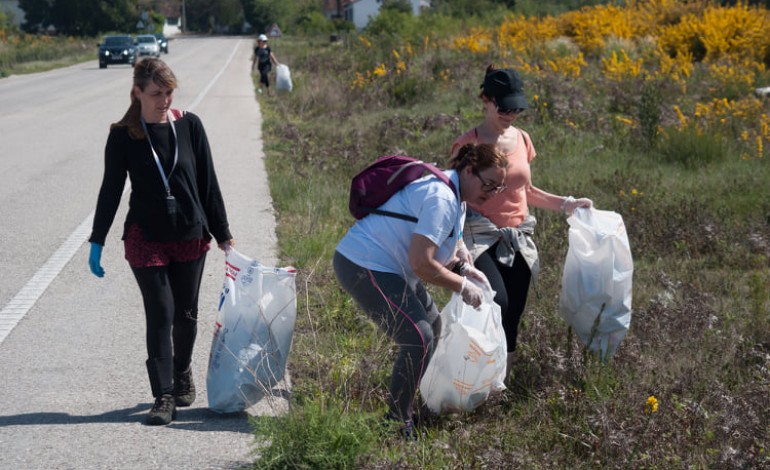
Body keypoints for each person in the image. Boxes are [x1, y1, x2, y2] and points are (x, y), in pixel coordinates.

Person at [88, 58, 234, 426]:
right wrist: (97, 239)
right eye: (156, 93)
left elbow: (208, 183)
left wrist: (223, 233)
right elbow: (110, 190)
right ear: (137, 93)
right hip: (145, 235)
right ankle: (164, 395)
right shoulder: (124, 135)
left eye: (169, 92)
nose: (164, 100)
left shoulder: (190, 126)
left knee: (186, 314)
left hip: (189, 233)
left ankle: (183, 371)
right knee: (161, 312)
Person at [334, 144, 508, 439]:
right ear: (468, 170)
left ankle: (406, 408)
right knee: (418, 336)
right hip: (363, 263)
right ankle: (397, 425)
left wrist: (465, 269)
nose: (491, 194)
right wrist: (462, 286)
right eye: (488, 184)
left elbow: (437, 252)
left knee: (433, 326)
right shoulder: (442, 198)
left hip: (390, 266)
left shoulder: (457, 198)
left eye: (497, 188)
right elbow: (421, 264)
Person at [450, 65, 592, 377]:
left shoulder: (523, 139)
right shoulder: (468, 144)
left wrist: (567, 204)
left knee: (513, 313)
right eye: (505, 107)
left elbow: (525, 190)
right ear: (486, 100)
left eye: (518, 108)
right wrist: (456, 244)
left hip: (518, 238)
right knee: (494, 302)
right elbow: (454, 197)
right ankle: (473, 374)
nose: (512, 114)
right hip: (479, 237)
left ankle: (500, 382)